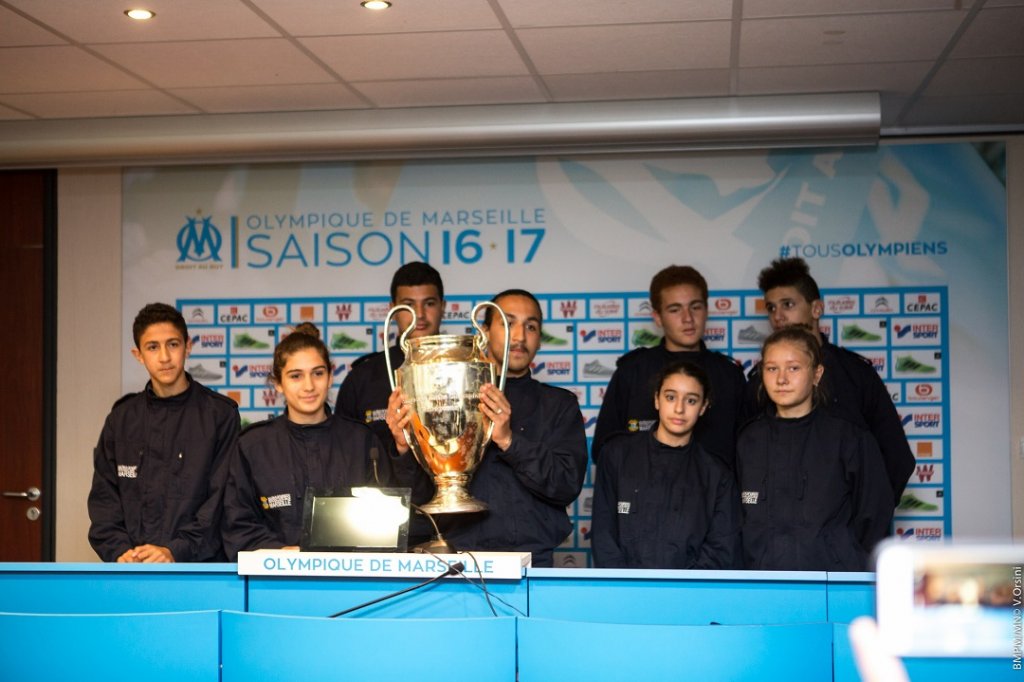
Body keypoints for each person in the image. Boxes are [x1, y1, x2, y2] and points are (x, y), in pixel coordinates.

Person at [387, 289, 587, 567]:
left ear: (540, 338)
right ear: (484, 332)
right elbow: (420, 500)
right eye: (508, 323)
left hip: (531, 560)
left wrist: (509, 441)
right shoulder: (442, 396)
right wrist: (406, 446)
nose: (519, 337)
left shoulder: (559, 405)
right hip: (453, 557)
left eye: (531, 326)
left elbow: (565, 486)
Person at [222, 323, 412, 559]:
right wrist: (280, 553)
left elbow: (389, 522)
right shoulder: (252, 446)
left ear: (331, 376)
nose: (309, 386)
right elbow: (237, 524)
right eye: (295, 376)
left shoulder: (362, 441)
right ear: (278, 384)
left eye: (318, 373)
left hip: (352, 584)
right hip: (274, 583)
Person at [746, 257, 914, 504]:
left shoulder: (856, 374)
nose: (778, 316)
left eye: (788, 304)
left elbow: (896, 457)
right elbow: (745, 461)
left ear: (816, 309)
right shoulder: (760, 380)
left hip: (844, 535)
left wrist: (860, 528)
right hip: (778, 533)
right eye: (771, 308)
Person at [88, 302, 239, 562]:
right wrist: (119, 551)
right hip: (131, 568)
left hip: (199, 568)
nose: (164, 357)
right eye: (152, 347)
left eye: (173, 344)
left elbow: (221, 503)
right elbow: (105, 498)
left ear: (188, 346)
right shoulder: (121, 419)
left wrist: (175, 550)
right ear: (138, 355)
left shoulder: (219, 415)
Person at [736, 328, 894, 571]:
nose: (781, 379)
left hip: (832, 583)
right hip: (762, 584)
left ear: (816, 374)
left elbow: (874, 516)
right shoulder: (748, 439)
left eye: (793, 368)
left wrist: (846, 562)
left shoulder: (849, 438)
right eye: (771, 368)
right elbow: (736, 519)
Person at [592, 265, 746, 469]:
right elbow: (603, 449)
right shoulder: (633, 371)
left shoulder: (729, 375)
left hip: (715, 498)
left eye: (695, 307)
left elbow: (750, 453)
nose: (688, 318)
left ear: (707, 310)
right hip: (645, 497)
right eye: (675, 309)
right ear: (657, 317)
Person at [591, 361, 742, 569]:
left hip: (689, 595)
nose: (679, 409)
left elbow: (720, 547)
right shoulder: (617, 455)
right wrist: (624, 587)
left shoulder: (716, 473)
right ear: (656, 399)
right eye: (670, 397)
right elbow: (603, 535)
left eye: (691, 400)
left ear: (703, 406)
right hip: (624, 592)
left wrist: (682, 592)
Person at [334, 261, 440, 531]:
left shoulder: (465, 370)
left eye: (429, 303)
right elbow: (341, 455)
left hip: (454, 525)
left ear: (443, 305)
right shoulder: (363, 378)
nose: (419, 315)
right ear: (393, 309)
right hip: (378, 524)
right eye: (408, 305)